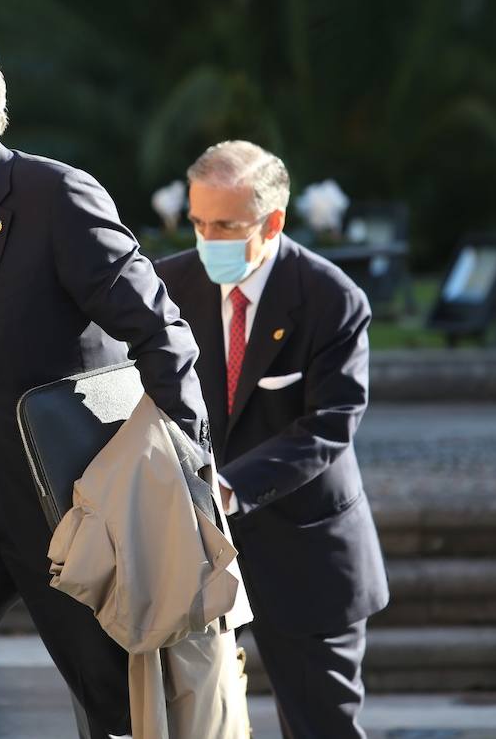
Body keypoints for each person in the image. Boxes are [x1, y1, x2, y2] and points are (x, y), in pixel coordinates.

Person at [0, 29, 207, 739]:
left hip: (67, 495)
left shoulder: (55, 195)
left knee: (114, 700)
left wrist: (182, 468)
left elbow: (159, 328)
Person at [154, 140, 390, 739]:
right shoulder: (168, 286)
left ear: (274, 221)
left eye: (228, 225)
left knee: (321, 726)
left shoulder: (331, 299)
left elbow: (331, 422)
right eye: (200, 222)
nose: (209, 239)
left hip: (304, 550)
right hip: (194, 552)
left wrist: (230, 486)